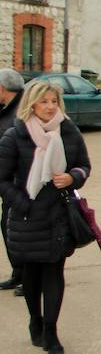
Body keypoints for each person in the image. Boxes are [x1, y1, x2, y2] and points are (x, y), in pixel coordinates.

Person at [0, 81, 91, 354]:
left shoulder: (69, 130)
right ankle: (35, 321)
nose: (50, 107)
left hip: (58, 215)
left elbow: (84, 165)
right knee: (31, 275)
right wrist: (24, 205)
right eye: (44, 102)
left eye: (54, 101)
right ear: (32, 103)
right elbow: (2, 179)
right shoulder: (14, 136)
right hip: (26, 217)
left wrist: (73, 177)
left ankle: (51, 330)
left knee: (54, 272)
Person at [0, 68, 25, 294]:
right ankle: (18, 274)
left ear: (2, 89)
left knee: (17, 231)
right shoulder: (7, 108)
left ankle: (28, 278)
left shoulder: (20, 111)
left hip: (19, 185)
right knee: (7, 228)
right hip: (8, 184)